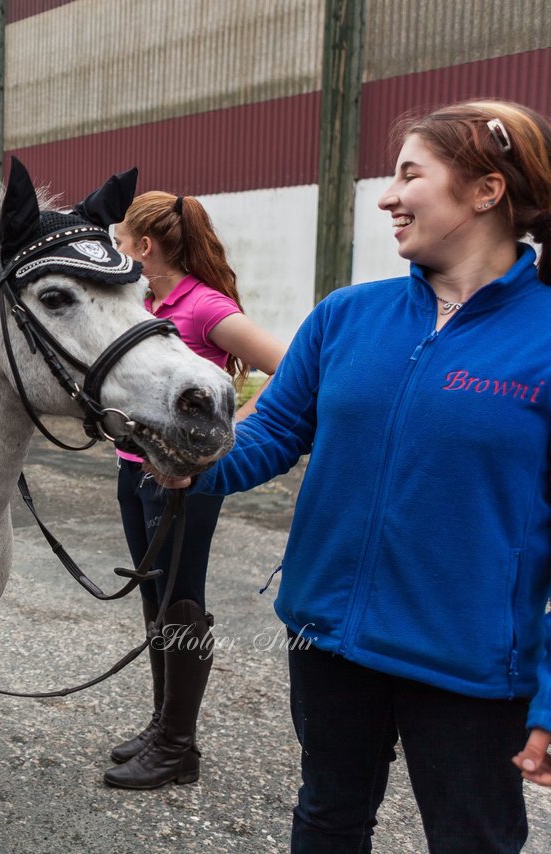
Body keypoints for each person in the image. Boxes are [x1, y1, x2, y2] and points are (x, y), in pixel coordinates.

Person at [155, 100, 551, 851]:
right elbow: (273, 431)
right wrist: (191, 464)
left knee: (473, 839)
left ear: (486, 192)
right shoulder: (346, 317)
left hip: (467, 663)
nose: (387, 196)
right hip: (327, 638)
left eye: (410, 174)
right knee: (329, 816)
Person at [102, 192, 287, 790]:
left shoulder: (205, 307)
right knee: (155, 601)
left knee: (180, 601)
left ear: (145, 247)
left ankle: (180, 749)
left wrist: (230, 433)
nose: (119, 253)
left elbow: (288, 369)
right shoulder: (143, 303)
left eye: (122, 244)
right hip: (134, 471)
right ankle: (163, 726)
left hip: (183, 482)